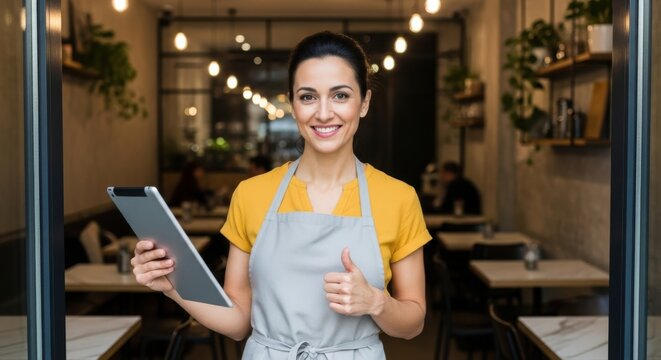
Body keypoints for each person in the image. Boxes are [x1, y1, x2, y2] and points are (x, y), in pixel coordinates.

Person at [131, 31, 431, 359]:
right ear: (292, 104)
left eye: (340, 95)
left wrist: (377, 302)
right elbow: (237, 322)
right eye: (308, 97)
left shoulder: (398, 197)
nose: (324, 113)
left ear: (365, 102)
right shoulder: (252, 194)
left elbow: (413, 324)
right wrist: (173, 288)